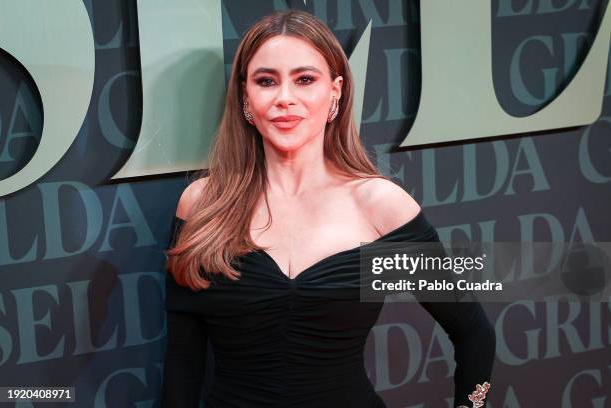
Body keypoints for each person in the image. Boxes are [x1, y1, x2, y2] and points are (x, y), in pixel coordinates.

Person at [161, 9, 495, 408]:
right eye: (267, 81)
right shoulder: (203, 204)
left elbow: (474, 332)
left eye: (305, 79)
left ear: (335, 91)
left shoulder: (380, 206)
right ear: (245, 96)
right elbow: (183, 360)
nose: (285, 98)